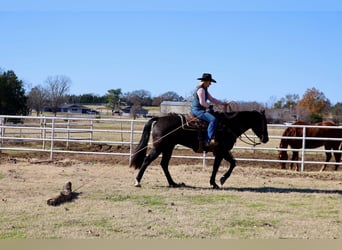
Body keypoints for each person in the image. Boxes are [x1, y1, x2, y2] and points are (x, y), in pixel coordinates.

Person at [190, 73, 225, 149]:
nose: (210, 84)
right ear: (205, 82)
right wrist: (210, 106)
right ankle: (208, 140)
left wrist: (222, 103)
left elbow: (212, 99)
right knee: (213, 120)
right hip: (197, 110)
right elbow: (202, 103)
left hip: (200, 109)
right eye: (209, 82)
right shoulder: (201, 90)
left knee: (216, 116)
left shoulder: (204, 89)